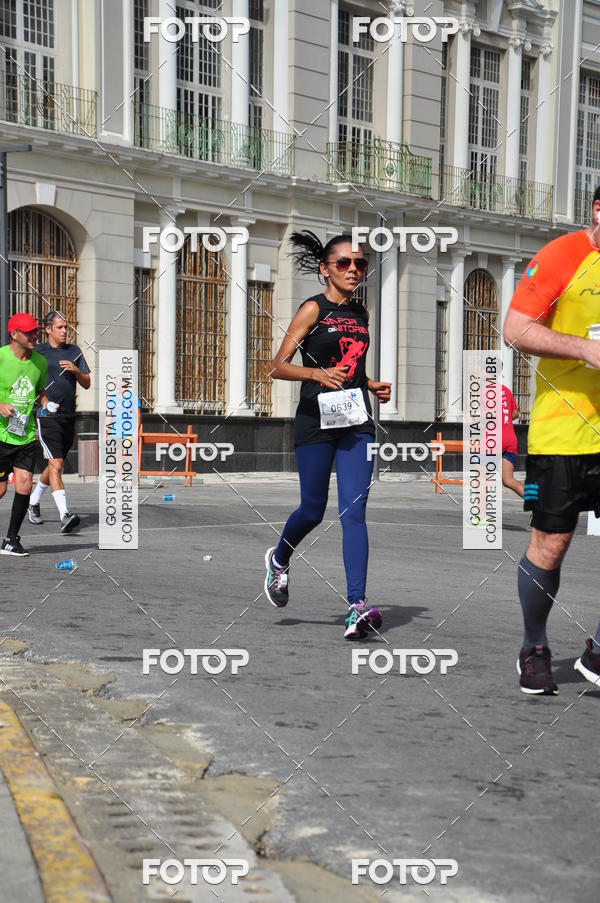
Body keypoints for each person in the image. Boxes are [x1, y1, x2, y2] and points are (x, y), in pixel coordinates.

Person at [265, 231, 392, 639]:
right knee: (312, 510)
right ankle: (280, 560)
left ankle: (356, 605)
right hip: (315, 421)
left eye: (360, 264)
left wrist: (368, 384)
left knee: (353, 512)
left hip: (356, 420)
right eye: (344, 263)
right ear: (325, 269)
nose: (354, 270)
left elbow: (349, 364)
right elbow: (277, 366)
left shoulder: (361, 313)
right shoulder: (312, 309)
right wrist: (317, 373)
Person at [504, 189, 600, 694]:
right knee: (552, 543)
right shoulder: (562, 256)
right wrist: (585, 349)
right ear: (598, 212)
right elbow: (515, 330)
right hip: (563, 429)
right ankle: (534, 646)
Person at [28, 311, 91, 533]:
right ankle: (65, 515)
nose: (64, 331)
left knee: (56, 464)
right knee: (55, 464)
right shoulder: (37, 352)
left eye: (66, 327)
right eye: (60, 327)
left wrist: (76, 370)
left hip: (69, 416)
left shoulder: (74, 351)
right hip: (47, 416)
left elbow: (87, 383)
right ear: (47, 330)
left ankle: (33, 502)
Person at [0, 313, 49, 556]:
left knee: (25, 485)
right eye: (29, 332)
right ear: (14, 334)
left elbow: (40, 392)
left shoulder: (40, 362)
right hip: (0, 436)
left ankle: (11, 539)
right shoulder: (0, 357)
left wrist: (48, 404)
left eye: (35, 331)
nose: (34, 335)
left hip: (26, 435)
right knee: (0, 490)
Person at [501, 382, 524, 499]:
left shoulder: (485, 393)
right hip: (510, 438)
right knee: (508, 480)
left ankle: (480, 517)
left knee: (480, 479)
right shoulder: (506, 390)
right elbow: (515, 413)